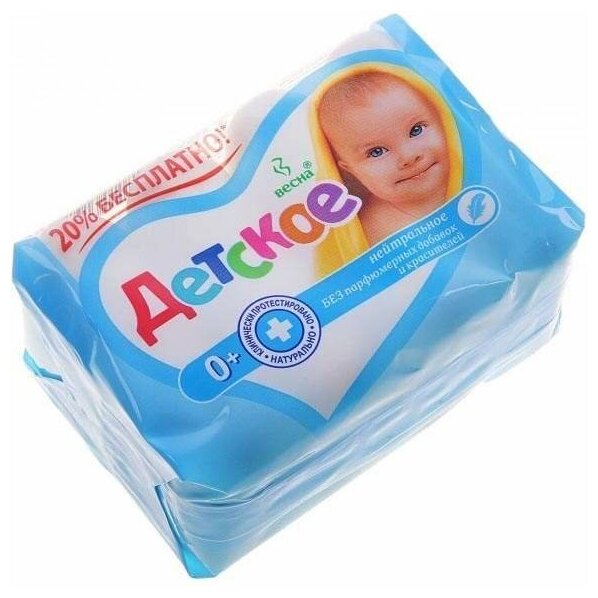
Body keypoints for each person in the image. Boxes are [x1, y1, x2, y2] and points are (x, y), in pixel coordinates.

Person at [310, 67, 462, 277]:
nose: (408, 156)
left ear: (444, 119)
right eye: (377, 152)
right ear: (351, 171)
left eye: (416, 130)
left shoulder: (474, 171)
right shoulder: (379, 228)